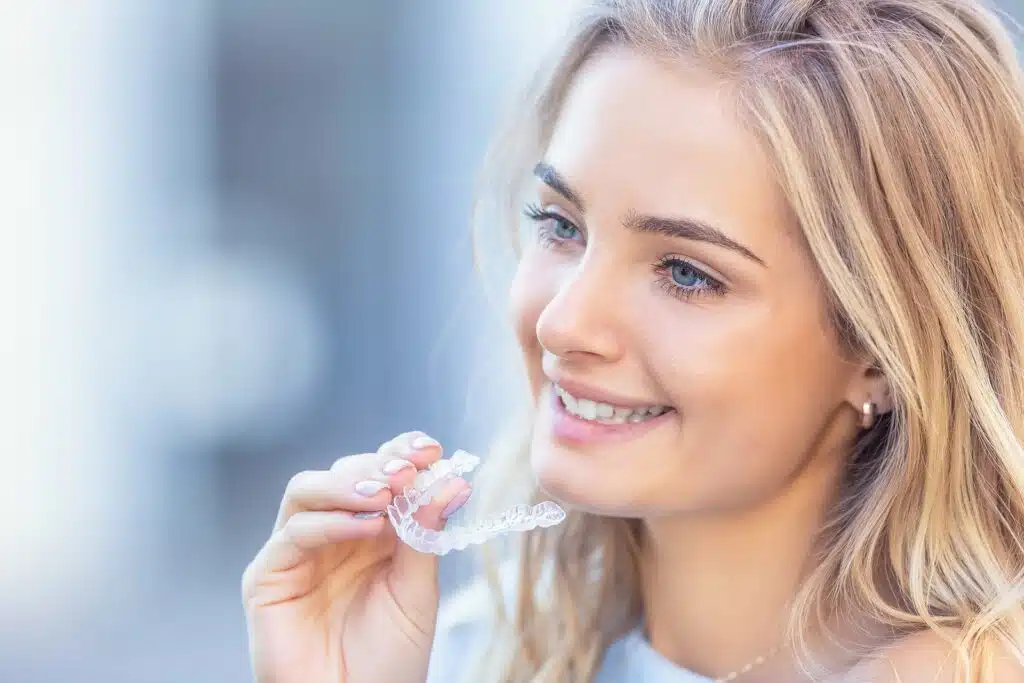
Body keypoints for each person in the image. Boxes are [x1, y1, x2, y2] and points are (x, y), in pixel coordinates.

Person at [241, 0, 1024, 681]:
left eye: (686, 274)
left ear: (883, 352)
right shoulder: (460, 649)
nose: (562, 323)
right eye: (560, 225)